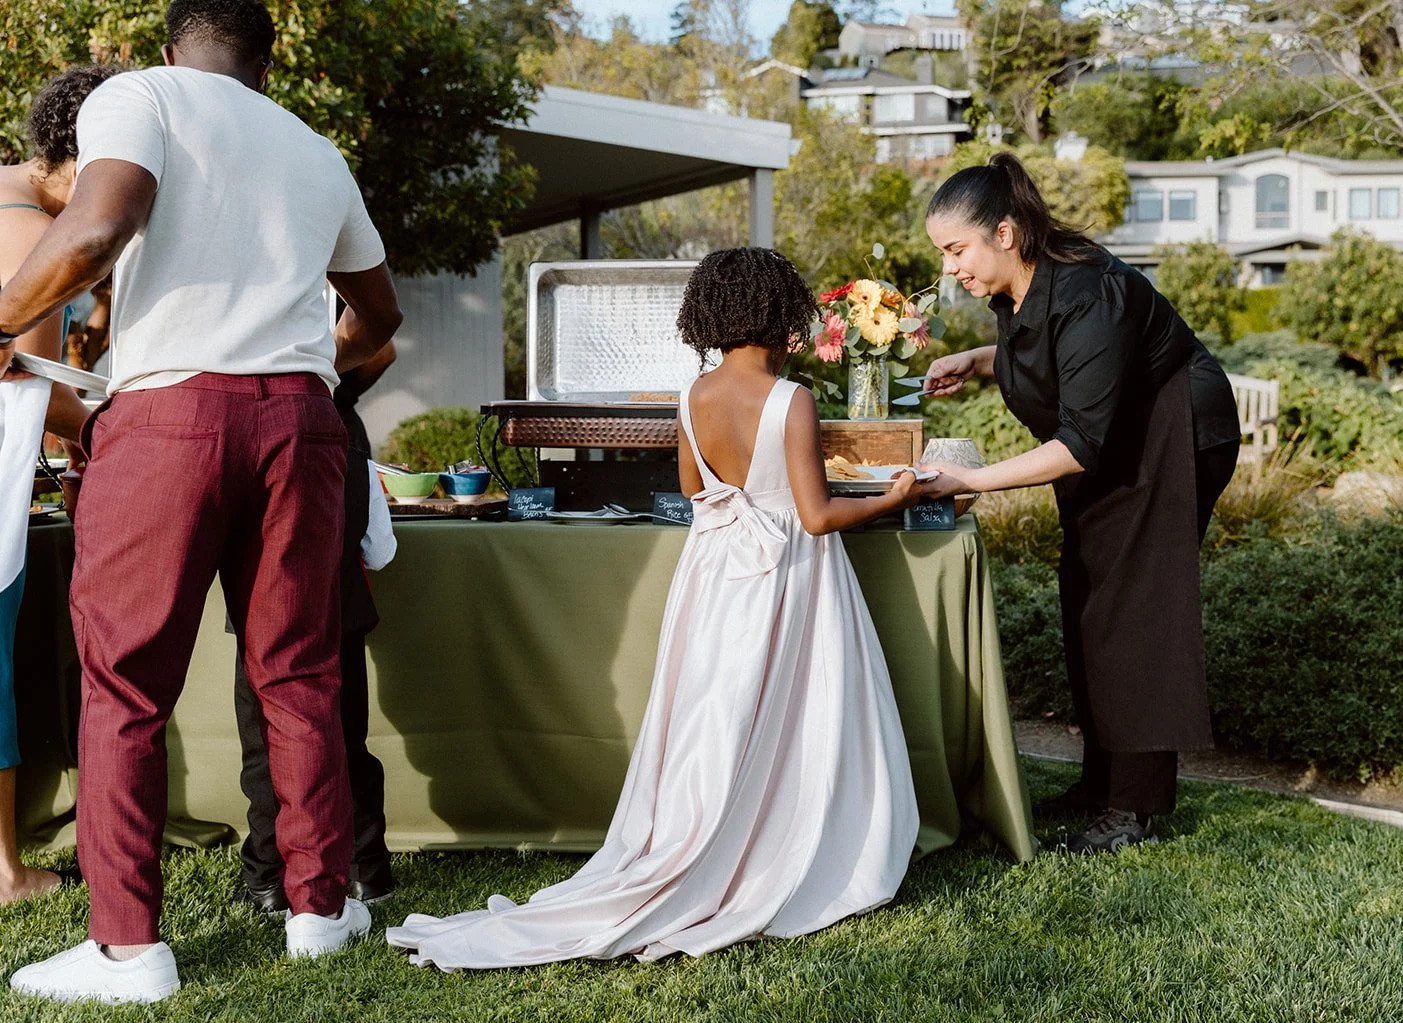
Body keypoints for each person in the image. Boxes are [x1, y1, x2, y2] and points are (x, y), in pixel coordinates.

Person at [1, 0, 403, 1004]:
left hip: (171, 416)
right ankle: (319, 909)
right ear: (266, 66)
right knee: (300, 672)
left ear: (174, 50)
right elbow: (381, 314)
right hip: (302, 423)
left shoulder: (139, 95)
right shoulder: (317, 148)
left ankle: (129, 949)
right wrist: (298, 360)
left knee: (127, 683)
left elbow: (99, 223)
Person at [387, 247, 924, 970]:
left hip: (713, 574)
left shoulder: (692, 396)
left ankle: (694, 834)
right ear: (778, 313)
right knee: (791, 712)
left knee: (712, 712)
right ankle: (775, 839)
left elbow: (695, 491)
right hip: (784, 575)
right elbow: (817, 515)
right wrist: (895, 496)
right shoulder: (791, 400)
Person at [919, 153, 1240, 855]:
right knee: (1088, 599)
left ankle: (1133, 809)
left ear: (1004, 232)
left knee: (1135, 609)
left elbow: (1081, 441)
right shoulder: (1021, 288)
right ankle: (1102, 784)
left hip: (1174, 434)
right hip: (1122, 437)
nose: (951, 270)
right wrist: (976, 361)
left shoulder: (1087, 289)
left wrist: (967, 481)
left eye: (955, 249)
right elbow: (1055, 355)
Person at [0, 65, 118, 907]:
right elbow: (27, 389)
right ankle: (5, 871)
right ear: (69, 157)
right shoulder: (34, 240)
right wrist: (117, 431)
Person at [234, 340, 398, 915]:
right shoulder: (347, 433)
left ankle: (266, 875)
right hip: (340, 612)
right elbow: (380, 550)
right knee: (347, 740)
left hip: (262, 617)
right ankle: (366, 870)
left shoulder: (251, 423)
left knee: (264, 746)